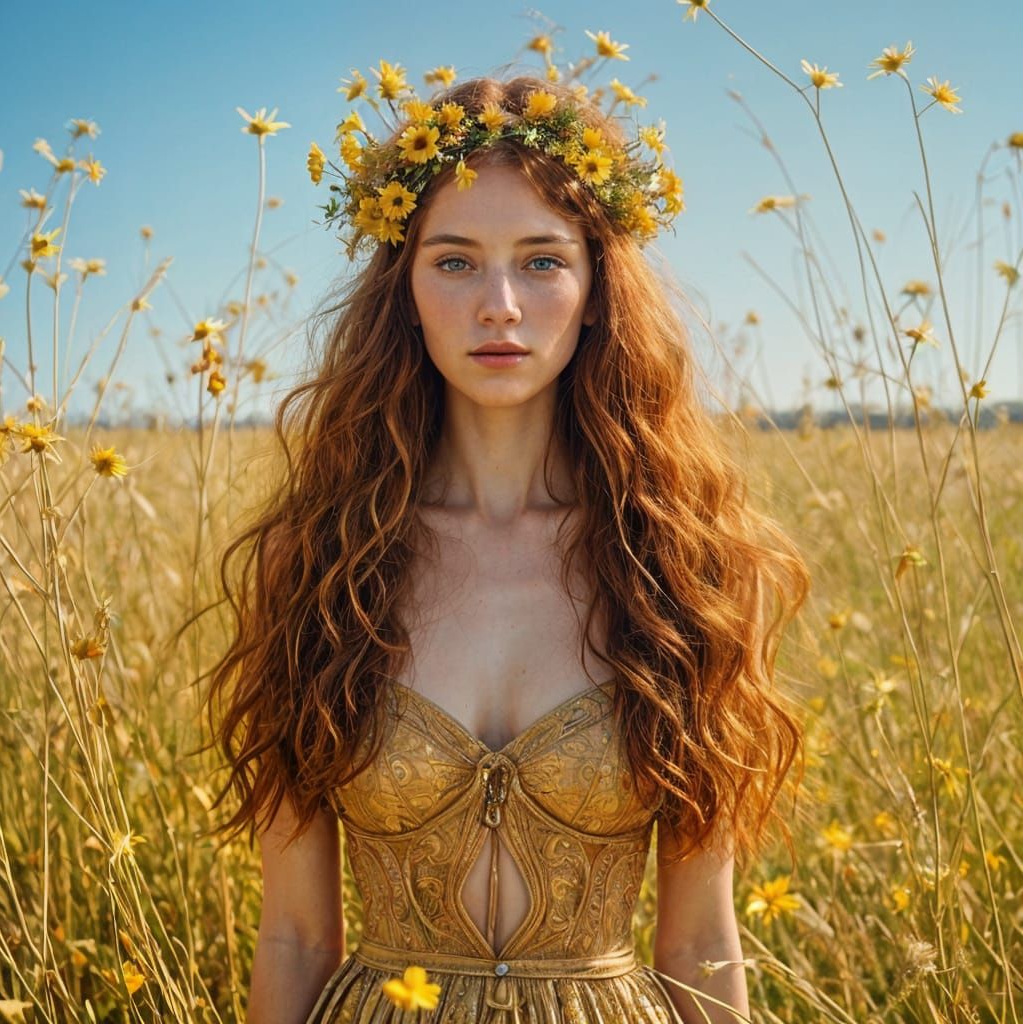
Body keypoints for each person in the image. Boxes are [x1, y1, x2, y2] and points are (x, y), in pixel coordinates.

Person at [203, 71, 810, 1024]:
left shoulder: (684, 567)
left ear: (597, 287)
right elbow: (294, 936)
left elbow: (697, 943)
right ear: (402, 291)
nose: (500, 305)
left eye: (540, 260)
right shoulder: (317, 563)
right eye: (453, 262)